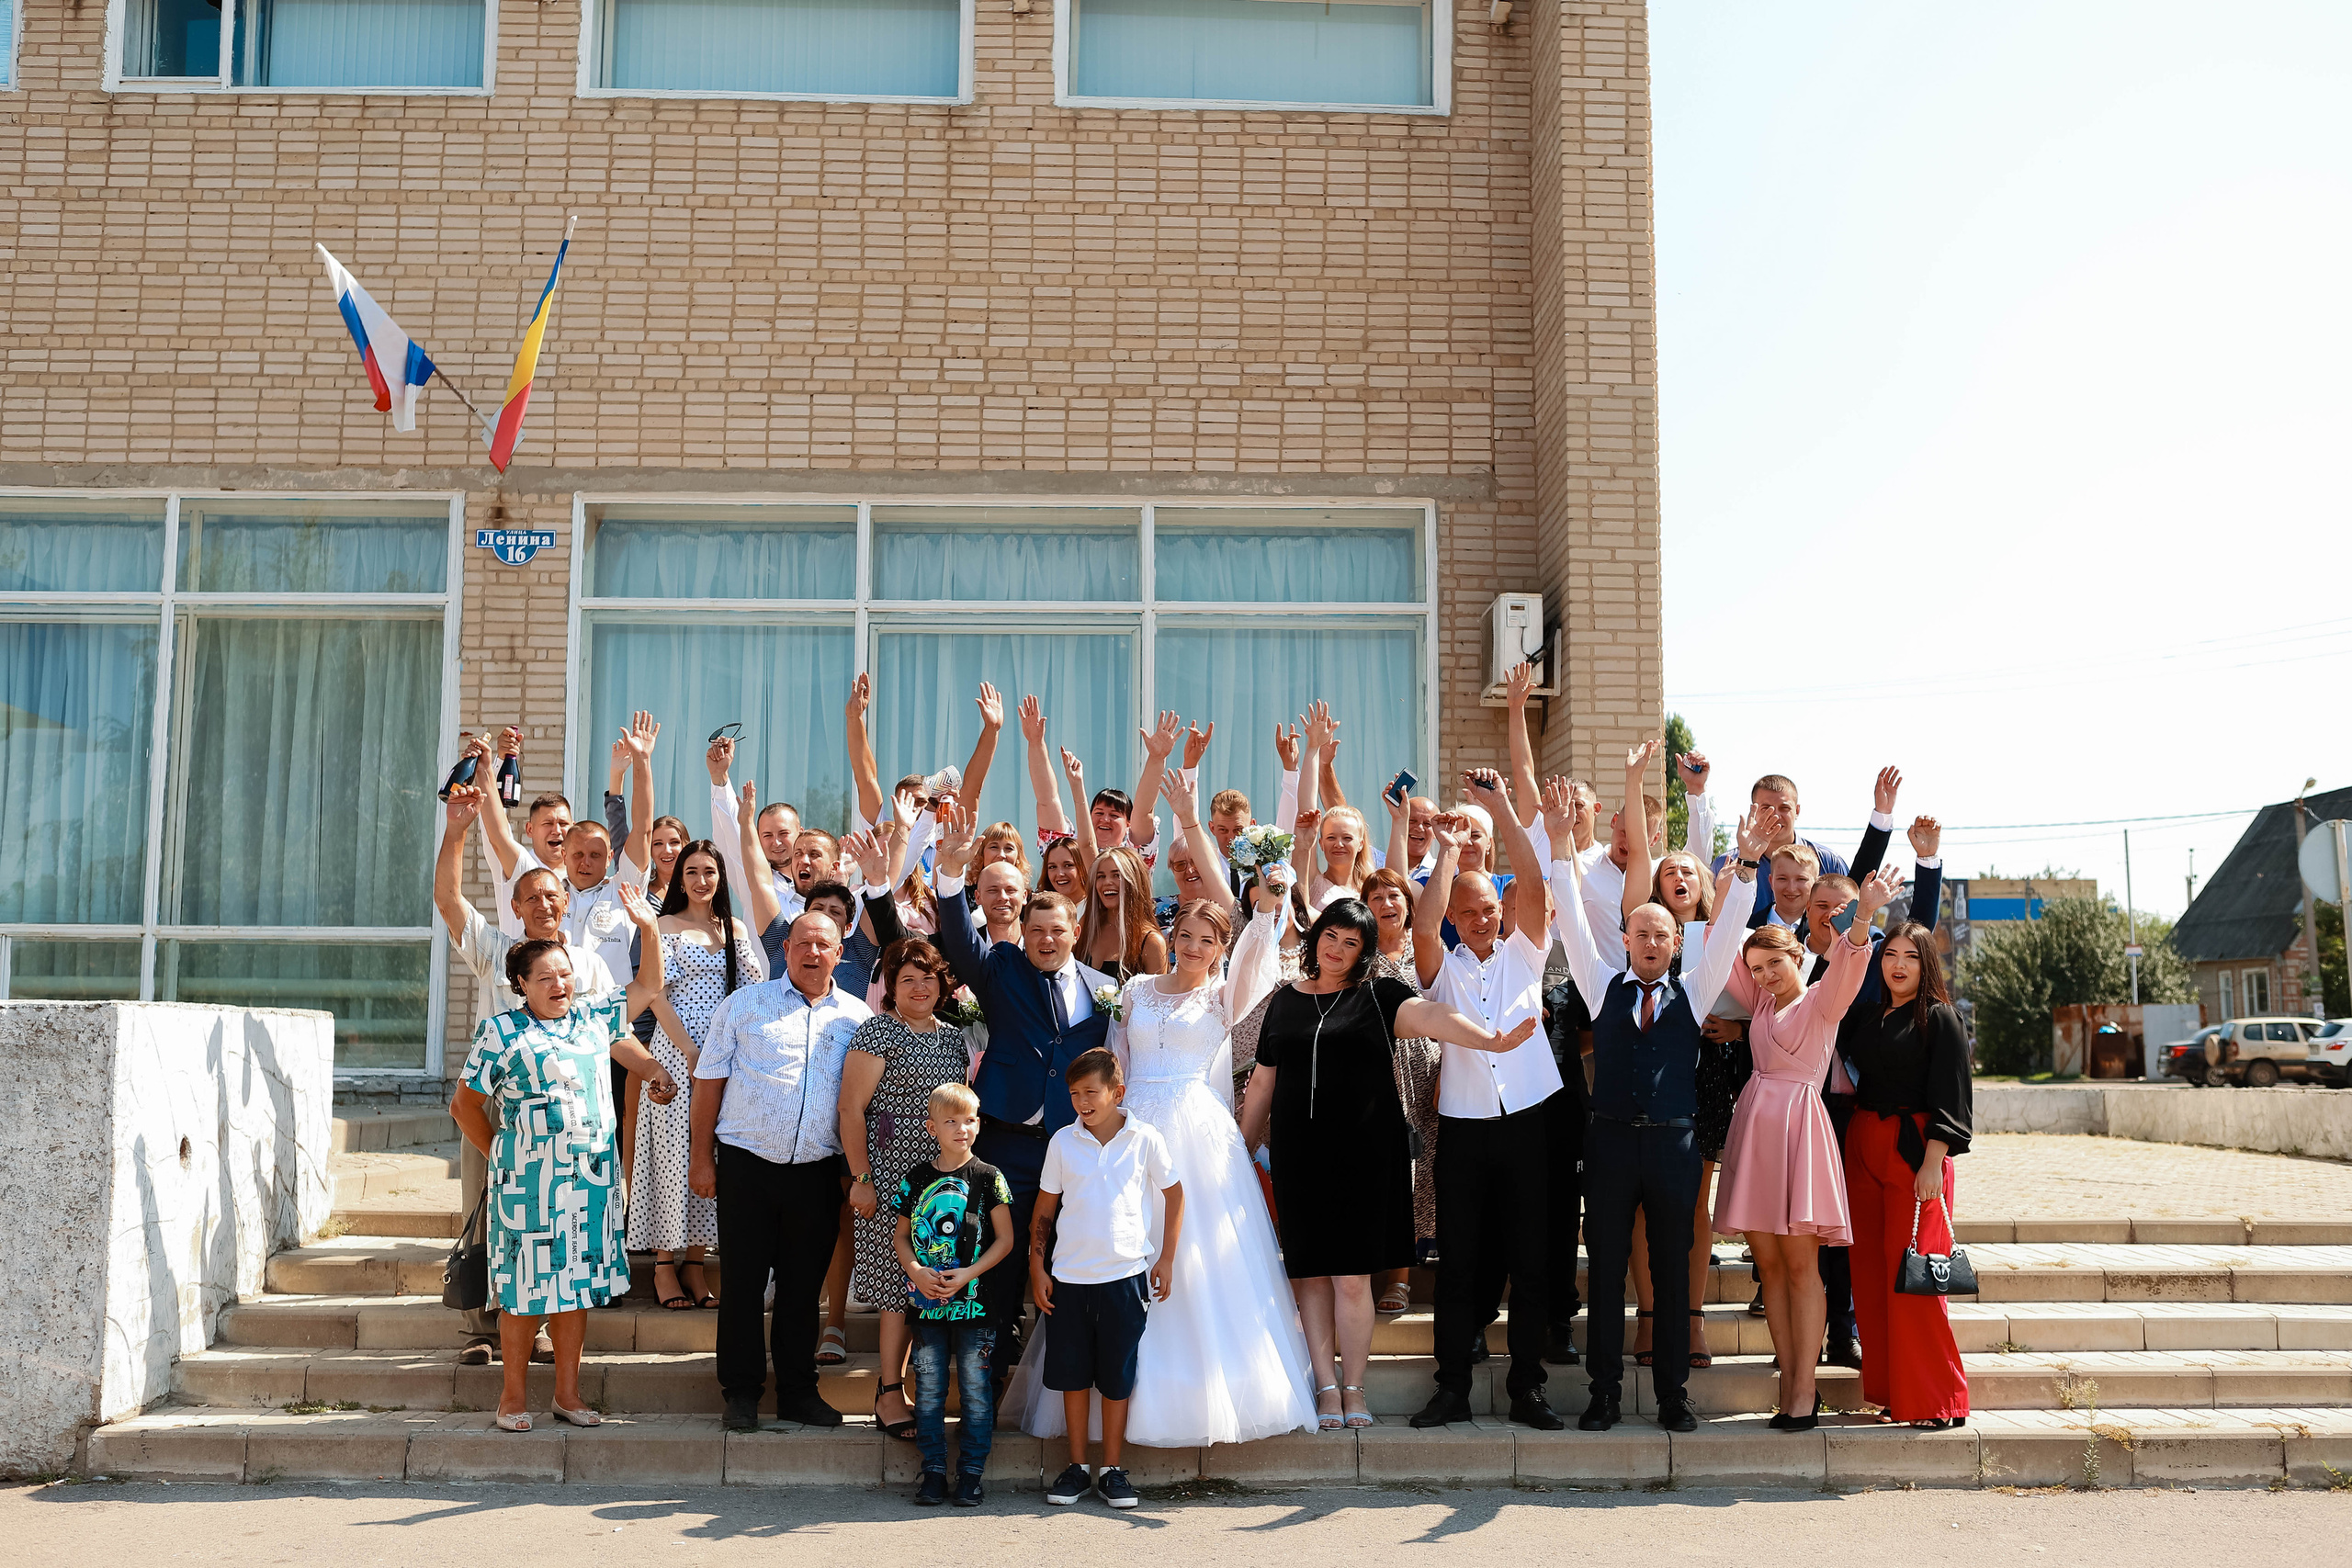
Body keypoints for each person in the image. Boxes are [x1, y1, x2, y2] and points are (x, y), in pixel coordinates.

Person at [1011, 775, 1314, 1447]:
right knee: (1118, 1245)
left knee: (1196, 1259)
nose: (1194, 947)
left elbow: (1258, 944)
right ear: (1172, 936)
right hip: (1133, 1124)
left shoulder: (1224, 997)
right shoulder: (1138, 989)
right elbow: (1116, 1060)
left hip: (1197, 1133)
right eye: (1186, 935)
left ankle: (1192, 1397)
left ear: (1220, 948)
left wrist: (1270, 896)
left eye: (1208, 940)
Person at [1240, 897, 1538, 1432]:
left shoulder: (1379, 995)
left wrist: (1487, 1040)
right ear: (1316, 938)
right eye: (1330, 936)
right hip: (1299, 1158)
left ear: (1365, 952)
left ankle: (1354, 1387)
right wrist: (1241, 1149)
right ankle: (1325, 1386)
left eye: (1351, 942)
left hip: (1362, 1158)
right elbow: (1262, 1080)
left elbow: (1433, 1017)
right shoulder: (1284, 1001)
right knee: (1309, 1276)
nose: (1337, 949)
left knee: (1353, 1280)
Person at [1550, 802, 1765, 1434]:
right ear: (1625, 940)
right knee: (1607, 1271)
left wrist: (1746, 866)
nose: (1650, 943)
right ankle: (1604, 1393)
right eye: (1640, 934)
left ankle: (1673, 1394)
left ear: (1676, 945)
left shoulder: (1695, 990)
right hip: (1611, 1146)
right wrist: (1561, 847)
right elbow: (1569, 915)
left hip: (1674, 1149)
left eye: (1661, 936)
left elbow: (1729, 928)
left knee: (1672, 1272)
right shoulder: (1599, 984)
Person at [449, 935, 679, 1430]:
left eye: (565, 974)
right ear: (521, 984)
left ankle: (567, 1395)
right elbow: (464, 1106)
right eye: (545, 977)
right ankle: (511, 1398)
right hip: (525, 1186)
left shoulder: (593, 1019)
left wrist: (647, 925)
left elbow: (649, 985)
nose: (559, 984)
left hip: (589, 1183)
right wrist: (500, 1157)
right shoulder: (500, 1032)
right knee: (523, 1291)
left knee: (576, 1289)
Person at [434, 784, 621, 1366]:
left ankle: (536, 1325)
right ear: (515, 907)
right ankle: (480, 1328)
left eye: (551, 895)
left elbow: (614, 1032)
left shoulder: (586, 965)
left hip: (567, 1114)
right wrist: (457, 831)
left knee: (555, 1223)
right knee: (487, 1208)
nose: (543, 904)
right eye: (531, 896)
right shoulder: (497, 951)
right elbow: (448, 900)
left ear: (566, 902)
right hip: (499, 1103)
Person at [1407, 769, 1569, 1431]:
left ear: (1502, 913)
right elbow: (1421, 927)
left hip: (1529, 1123)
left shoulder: (1525, 954)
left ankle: (1528, 1386)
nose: (1480, 920)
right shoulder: (1440, 969)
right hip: (1464, 1130)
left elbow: (1532, 881)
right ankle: (1451, 1388)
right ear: (1455, 917)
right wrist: (1447, 851)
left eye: (1488, 910)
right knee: (1459, 1264)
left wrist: (1501, 807)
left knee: (1530, 1260)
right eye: (1467, 912)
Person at [1713, 866, 1902, 1432]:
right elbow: (1721, 946)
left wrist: (1863, 913)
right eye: (1757, 968)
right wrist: (1736, 879)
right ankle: (1789, 1379)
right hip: (1754, 1130)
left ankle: (1804, 1389)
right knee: (1768, 1266)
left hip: (1799, 1130)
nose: (1765, 975)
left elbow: (1851, 960)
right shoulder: (1760, 1002)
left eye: (1774, 963)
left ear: (1797, 954)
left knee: (1801, 1267)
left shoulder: (1823, 1001)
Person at [689, 908, 873, 1432]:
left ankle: (797, 1391)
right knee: (743, 1285)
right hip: (746, 1165)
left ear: (839, 953)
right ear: (786, 950)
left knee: (802, 1288)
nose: (813, 953)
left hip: (817, 1172)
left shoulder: (857, 1017)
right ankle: (741, 1393)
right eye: (802, 944)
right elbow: (708, 1085)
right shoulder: (744, 1005)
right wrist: (701, 1159)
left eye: (823, 945)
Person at [930, 871, 1116, 1378]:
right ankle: (984, 1390)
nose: (1046, 940)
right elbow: (960, 943)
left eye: (1056, 930)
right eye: (1036, 931)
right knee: (998, 1263)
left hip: (1071, 1145)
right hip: (1007, 1144)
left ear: (1075, 932)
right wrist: (950, 878)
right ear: (1023, 933)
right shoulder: (1001, 969)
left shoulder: (1104, 990)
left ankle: (1062, 1387)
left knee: (1065, 1261)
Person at [1031, 1047, 1182, 1511]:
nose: (1081, 1102)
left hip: (1125, 1278)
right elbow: (1044, 1210)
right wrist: (1037, 1267)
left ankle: (1113, 1470)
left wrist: (1166, 1258)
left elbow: (1175, 1194)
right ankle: (1077, 1467)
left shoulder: (1145, 1138)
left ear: (1117, 1092)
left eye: (1090, 1092)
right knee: (1073, 1377)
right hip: (1068, 1279)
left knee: (1117, 1377)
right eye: (1074, 1093)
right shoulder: (1062, 1142)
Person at [1838, 919, 1972, 1430]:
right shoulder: (1867, 1014)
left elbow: (1953, 1096)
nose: (1898, 965)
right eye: (1890, 954)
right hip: (1862, 1146)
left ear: (1926, 964)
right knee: (1871, 1276)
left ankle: (1938, 1400)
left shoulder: (1940, 1017)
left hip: (1915, 1153)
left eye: (1911, 957)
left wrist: (1934, 1162)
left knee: (1913, 1276)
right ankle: (1894, 1392)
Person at [840, 937, 974, 1444]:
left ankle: (923, 1388)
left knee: (931, 1281)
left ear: (942, 985)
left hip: (940, 1178)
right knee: (897, 1288)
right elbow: (851, 1108)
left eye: (927, 978)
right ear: (891, 988)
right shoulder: (878, 1031)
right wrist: (861, 1178)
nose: (919, 988)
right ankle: (889, 1392)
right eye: (907, 980)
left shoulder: (952, 1037)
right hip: (889, 1174)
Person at [634, 838, 765, 1313]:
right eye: (691, 871)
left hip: (726, 1054)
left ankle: (695, 1262)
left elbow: (753, 988)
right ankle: (663, 1265)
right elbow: (654, 993)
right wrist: (689, 1051)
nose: (700, 880)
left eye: (709, 871)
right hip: (675, 1051)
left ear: (720, 877)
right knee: (672, 1152)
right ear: (679, 878)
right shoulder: (663, 925)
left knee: (711, 1152)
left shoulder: (734, 928)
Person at [895, 1080, 1016, 1507]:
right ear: (932, 1127)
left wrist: (969, 1273)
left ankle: (970, 1475)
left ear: (978, 1125)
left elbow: (1006, 1240)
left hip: (977, 1308)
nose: (961, 1129)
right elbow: (902, 1236)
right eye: (951, 1121)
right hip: (927, 1307)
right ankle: (932, 1472)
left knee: (976, 1391)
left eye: (969, 1120)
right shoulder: (916, 1179)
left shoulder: (990, 1178)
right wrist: (915, 1270)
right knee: (928, 1390)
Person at [1361, 865, 1440, 1310]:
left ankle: (1401, 1279)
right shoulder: (1358, 957)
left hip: (1426, 1079)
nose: (1386, 904)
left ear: (1409, 906)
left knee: (1418, 1176)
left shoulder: (1428, 951)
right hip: (1376, 1079)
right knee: (1381, 1176)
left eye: (1394, 896)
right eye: (1376, 898)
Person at [707, 731, 804, 927]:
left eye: (784, 833)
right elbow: (735, 833)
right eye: (767, 835)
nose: (776, 842)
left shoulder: (820, 881)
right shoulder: (752, 880)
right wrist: (720, 778)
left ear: (800, 833)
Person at [1078, 844, 1168, 983]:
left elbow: (1156, 995)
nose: (1107, 882)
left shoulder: (1151, 941)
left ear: (1135, 881)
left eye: (1117, 875)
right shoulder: (1087, 926)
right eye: (1101, 876)